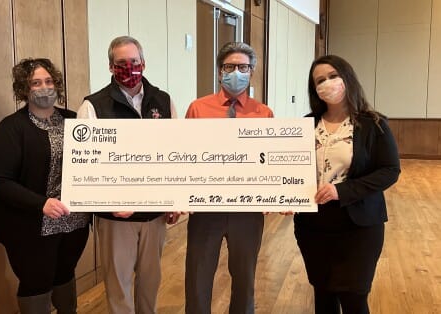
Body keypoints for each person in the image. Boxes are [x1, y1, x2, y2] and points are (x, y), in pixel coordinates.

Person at [77, 35, 181, 314]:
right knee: (118, 284)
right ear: (111, 67)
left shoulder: (163, 100)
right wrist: (107, 202)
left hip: (154, 212)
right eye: (121, 63)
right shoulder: (93, 105)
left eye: (134, 61)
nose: (129, 67)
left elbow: (175, 152)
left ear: (143, 63)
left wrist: (174, 200)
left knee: (151, 281)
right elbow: (84, 165)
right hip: (115, 216)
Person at [290, 54, 400, 314]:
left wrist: (341, 190)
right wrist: (285, 196)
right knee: (323, 297)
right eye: (320, 80)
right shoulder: (306, 124)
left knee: (354, 299)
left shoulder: (373, 124)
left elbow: (390, 170)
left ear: (347, 78)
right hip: (313, 227)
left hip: (359, 227)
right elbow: (291, 168)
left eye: (332, 76)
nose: (327, 83)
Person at [0, 58, 91, 314]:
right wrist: (41, 203)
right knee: (36, 281)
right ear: (24, 89)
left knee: (65, 273)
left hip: (73, 222)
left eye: (48, 81)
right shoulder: (11, 128)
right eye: (35, 83)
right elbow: (0, 181)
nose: (44, 88)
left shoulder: (74, 121)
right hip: (31, 225)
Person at [185, 42, 273, 314]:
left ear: (252, 71)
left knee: (245, 278)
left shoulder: (264, 113)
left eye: (243, 67)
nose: (236, 72)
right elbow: (184, 155)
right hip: (205, 207)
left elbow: (270, 160)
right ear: (219, 71)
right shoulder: (198, 108)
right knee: (198, 277)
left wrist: (276, 192)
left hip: (247, 210)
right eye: (229, 67)